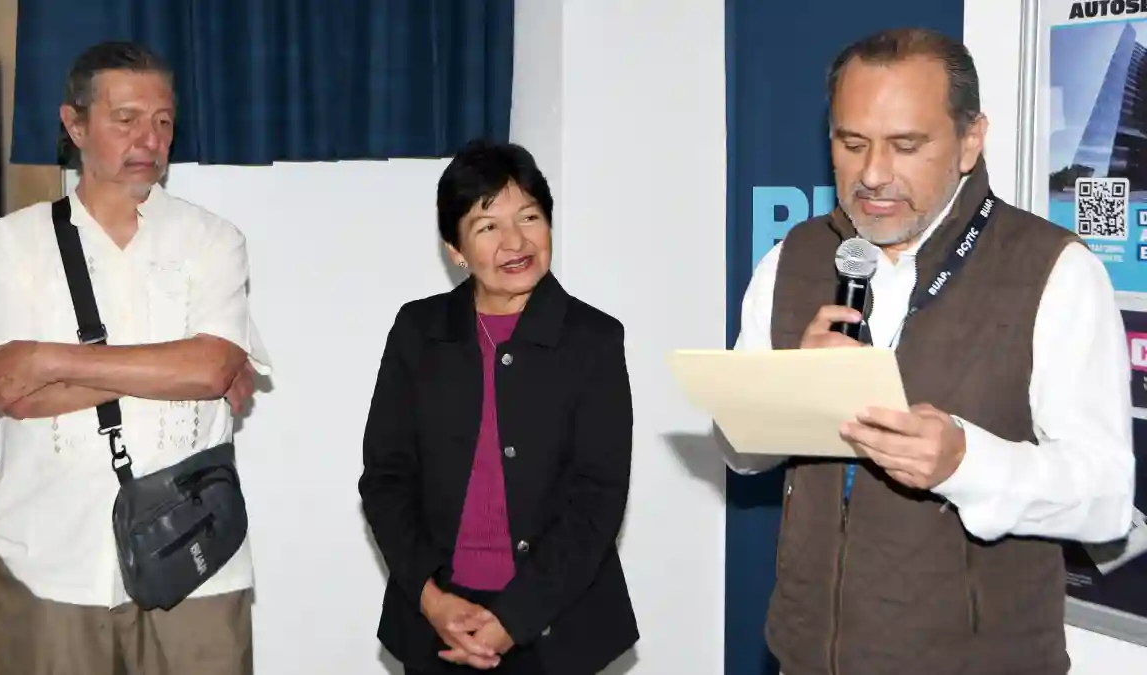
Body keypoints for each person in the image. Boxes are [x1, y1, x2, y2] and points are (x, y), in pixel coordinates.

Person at [723, 28, 1134, 675]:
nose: (873, 174)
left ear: (970, 140)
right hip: (802, 656)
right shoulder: (792, 259)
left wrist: (967, 462)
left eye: (906, 146)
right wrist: (786, 391)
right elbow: (737, 451)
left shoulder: (1054, 270)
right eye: (850, 143)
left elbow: (1106, 498)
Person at [0, 41, 269, 674]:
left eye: (163, 121)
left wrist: (48, 359)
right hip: (52, 554)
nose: (149, 139)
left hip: (196, 560)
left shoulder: (213, 240)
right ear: (74, 125)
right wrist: (176, 369)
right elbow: (9, 393)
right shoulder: (12, 245)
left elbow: (210, 371)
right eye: (125, 119)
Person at [358, 139, 638, 675]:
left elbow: (597, 500)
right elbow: (386, 479)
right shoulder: (418, 331)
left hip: (556, 626)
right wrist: (431, 600)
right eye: (488, 226)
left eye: (529, 217)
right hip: (437, 622)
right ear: (456, 249)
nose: (516, 241)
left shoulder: (593, 339)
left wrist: (514, 619)